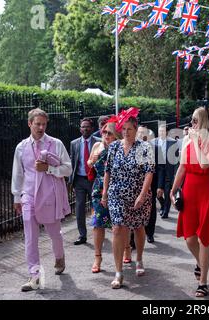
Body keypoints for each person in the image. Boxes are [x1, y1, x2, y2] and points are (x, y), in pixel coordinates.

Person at [11, 108, 71, 291]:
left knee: (55, 234)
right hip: (28, 195)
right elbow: (18, 174)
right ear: (30, 124)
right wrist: (17, 196)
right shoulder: (21, 147)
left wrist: (49, 169)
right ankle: (35, 276)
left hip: (50, 196)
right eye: (37, 124)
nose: (41, 127)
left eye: (44, 124)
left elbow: (67, 169)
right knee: (30, 236)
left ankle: (59, 256)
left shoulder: (56, 143)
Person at [170, 107, 209, 298]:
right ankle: (200, 263)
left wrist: (194, 140)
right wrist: (174, 188)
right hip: (190, 189)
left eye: (194, 121)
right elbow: (183, 166)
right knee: (190, 237)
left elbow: (205, 163)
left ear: (205, 121)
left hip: (208, 189)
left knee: (204, 237)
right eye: (191, 121)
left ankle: (203, 282)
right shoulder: (186, 139)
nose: (191, 124)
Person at [101, 108, 155, 289]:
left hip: (138, 196)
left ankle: (139, 258)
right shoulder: (114, 147)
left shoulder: (143, 147)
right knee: (117, 228)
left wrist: (142, 194)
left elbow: (149, 173)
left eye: (129, 129)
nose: (125, 132)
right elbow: (107, 171)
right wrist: (105, 192)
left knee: (138, 227)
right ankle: (118, 272)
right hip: (117, 194)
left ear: (136, 129)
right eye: (122, 129)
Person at [87, 121, 122, 273]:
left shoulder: (120, 147)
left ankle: (126, 248)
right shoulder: (97, 146)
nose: (106, 135)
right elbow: (89, 164)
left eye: (109, 133)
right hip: (99, 188)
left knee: (119, 225)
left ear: (116, 135)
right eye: (104, 132)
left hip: (117, 188)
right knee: (98, 223)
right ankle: (97, 256)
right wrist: (92, 161)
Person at [69, 118, 101, 245]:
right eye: (83, 127)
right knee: (80, 208)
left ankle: (97, 232)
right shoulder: (74, 143)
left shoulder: (98, 143)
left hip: (94, 180)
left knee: (95, 207)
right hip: (80, 180)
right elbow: (72, 162)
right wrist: (71, 181)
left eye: (87, 127)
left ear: (92, 129)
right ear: (80, 128)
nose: (85, 129)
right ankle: (82, 235)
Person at [138, 125, 165, 244]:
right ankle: (135, 237)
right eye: (139, 133)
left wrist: (160, 186)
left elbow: (161, 168)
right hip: (136, 184)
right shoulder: (133, 147)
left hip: (152, 184)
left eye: (144, 133)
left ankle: (150, 233)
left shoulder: (156, 148)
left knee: (151, 208)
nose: (141, 135)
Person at [152, 125, 179, 219]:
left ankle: (166, 211)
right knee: (157, 192)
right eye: (160, 131)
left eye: (163, 131)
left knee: (167, 192)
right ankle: (163, 204)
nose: (161, 133)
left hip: (168, 170)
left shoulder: (172, 142)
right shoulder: (154, 142)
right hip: (158, 170)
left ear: (167, 132)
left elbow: (176, 160)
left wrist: (175, 172)